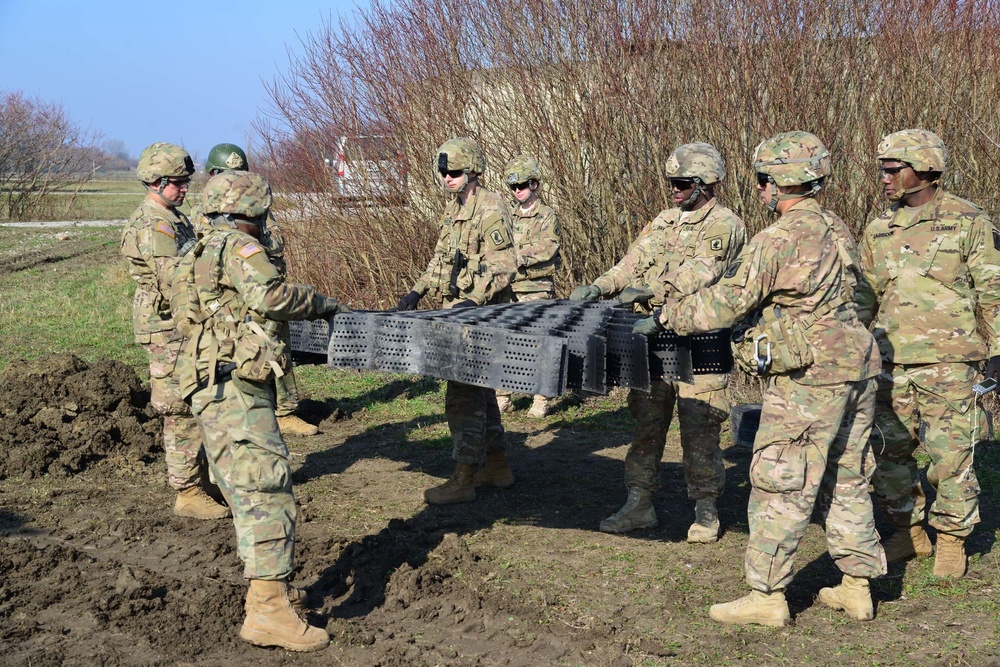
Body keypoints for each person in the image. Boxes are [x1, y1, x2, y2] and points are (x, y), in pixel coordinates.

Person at [636, 131, 887, 626]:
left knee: (780, 480)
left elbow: (725, 301)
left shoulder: (776, 239)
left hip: (810, 380)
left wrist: (667, 315)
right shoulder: (837, 227)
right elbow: (864, 298)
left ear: (774, 182)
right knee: (849, 475)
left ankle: (767, 596)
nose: (759, 190)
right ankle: (858, 585)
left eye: (762, 181)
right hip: (858, 368)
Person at [171, 171, 346, 651]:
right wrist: (324, 303)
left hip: (206, 385)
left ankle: (264, 604)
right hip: (236, 392)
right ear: (250, 213)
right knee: (267, 492)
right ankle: (269, 613)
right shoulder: (237, 248)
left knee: (245, 494)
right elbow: (270, 295)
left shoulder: (195, 251)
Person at [570, 143, 744, 543]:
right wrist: (599, 286)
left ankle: (705, 508)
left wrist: (652, 288)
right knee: (647, 419)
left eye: (682, 183)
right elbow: (632, 260)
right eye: (672, 183)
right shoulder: (664, 221)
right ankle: (639, 502)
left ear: (704, 183)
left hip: (702, 336)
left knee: (700, 423)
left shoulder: (725, 224)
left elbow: (703, 271)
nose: (675, 190)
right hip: (653, 334)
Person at [857, 129, 1000, 579]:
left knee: (952, 456)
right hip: (890, 362)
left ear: (925, 170)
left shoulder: (968, 221)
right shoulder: (879, 227)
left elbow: (993, 291)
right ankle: (908, 530)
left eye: (893, 169)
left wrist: (998, 351)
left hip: (951, 362)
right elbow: (864, 296)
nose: (884, 177)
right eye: (883, 169)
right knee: (887, 452)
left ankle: (953, 539)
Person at [396, 137, 517, 504]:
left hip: (481, 317)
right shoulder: (452, 210)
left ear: (473, 171)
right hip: (458, 313)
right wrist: (416, 291)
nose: (447, 178)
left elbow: (505, 265)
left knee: (462, 397)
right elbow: (440, 259)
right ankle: (497, 466)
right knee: (482, 393)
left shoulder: (491, 206)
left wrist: (473, 299)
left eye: (454, 172)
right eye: (443, 172)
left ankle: (464, 477)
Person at [119, 142, 229, 520]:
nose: (185, 188)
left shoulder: (173, 217)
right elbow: (175, 281)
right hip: (167, 325)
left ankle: (204, 480)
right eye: (179, 183)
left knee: (198, 397)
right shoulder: (154, 225)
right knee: (178, 407)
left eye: (186, 181)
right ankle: (187, 491)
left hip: (180, 321)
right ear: (157, 182)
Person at [194, 142, 319, 438]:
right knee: (236, 353)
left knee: (280, 346)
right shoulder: (207, 211)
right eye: (228, 174)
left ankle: (286, 410)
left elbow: (276, 243)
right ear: (213, 175)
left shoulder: (257, 206)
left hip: (265, 286)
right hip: (232, 296)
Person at [494, 155, 561, 419]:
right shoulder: (505, 215)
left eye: (522, 185)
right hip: (506, 288)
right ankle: (502, 397)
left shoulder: (546, 215)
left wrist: (516, 257)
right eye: (513, 187)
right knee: (503, 343)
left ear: (534, 184)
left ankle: (541, 398)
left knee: (538, 345)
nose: (517, 190)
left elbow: (549, 246)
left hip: (535, 288)